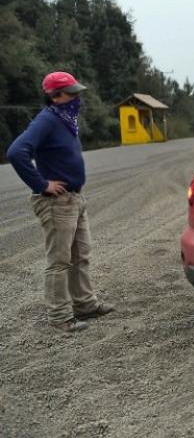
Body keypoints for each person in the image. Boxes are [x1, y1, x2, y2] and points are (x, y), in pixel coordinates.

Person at [6, 71, 115, 333]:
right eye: (72, 93)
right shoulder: (47, 121)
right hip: (57, 203)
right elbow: (16, 152)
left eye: (78, 92)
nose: (78, 97)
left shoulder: (65, 120)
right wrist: (42, 185)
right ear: (56, 96)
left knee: (81, 255)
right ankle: (59, 318)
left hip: (74, 199)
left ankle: (85, 305)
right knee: (59, 260)